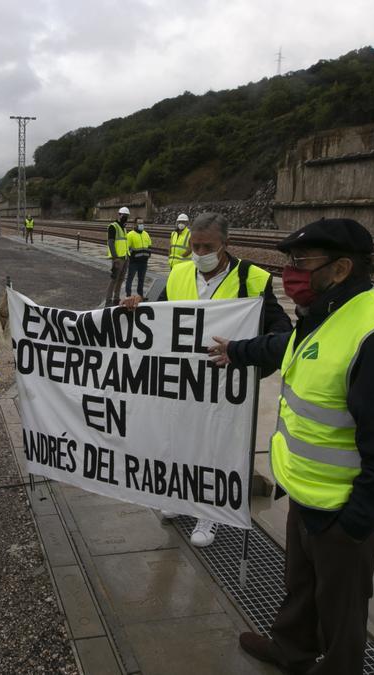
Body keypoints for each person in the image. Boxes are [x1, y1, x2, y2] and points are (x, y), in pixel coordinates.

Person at [211, 217, 374, 675]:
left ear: (342, 268)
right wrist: (238, 350)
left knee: (341, 608)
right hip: (308, 495)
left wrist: (356, 525)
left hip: (343, 509)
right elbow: (288, 348)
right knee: (301, 586)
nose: (291, 272)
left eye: (301, 262)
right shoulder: (324, 313)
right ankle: (291, 652)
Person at [123, 212, 292, 546]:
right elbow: (162, 317)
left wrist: (245, 354)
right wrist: (140, 305)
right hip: (183, 382)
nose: (200, 253)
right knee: (180, 440)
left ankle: (209, 513)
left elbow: (282, 334)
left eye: (207, 247)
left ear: (225, 244)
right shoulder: (180, 273)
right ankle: (177, 497)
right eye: (194, 246)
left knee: (216, 448)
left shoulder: (253, 278)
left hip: (225, 384)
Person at [103, 206, 130, 307]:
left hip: (125, 257)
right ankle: (108, 301)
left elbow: (124, 243)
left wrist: (128, 256)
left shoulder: (124, 228)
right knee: (114, 279)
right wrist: (115, 258)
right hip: (118, 259)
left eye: (127, 216)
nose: (125, 217)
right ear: (119, 215)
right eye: (124, 215)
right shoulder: (113, 226)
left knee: (121, 279)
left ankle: (116, 298)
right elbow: (111, 243)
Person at [124, 217, 152, 297]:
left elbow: (149, 245)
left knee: (141, 280)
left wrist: (148, 254)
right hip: (134, 262)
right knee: (130, 279)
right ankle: (128, 295)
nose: (141, 225)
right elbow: (127, 248)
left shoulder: (146, 234)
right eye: (139, 223)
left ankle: (140, 295)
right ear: (135, 224)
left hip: (144, 262)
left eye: (142, 223)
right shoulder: (130, 235)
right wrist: (132, 256)